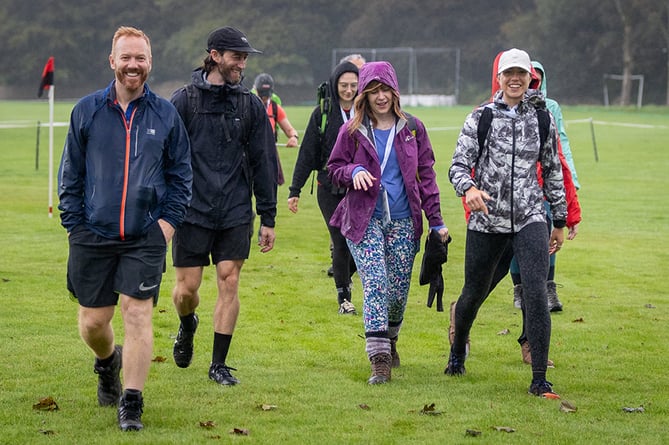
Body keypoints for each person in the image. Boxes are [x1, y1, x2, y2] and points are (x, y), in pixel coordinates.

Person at [58, 26, 192, 431]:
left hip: (145, 237)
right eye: (126, 57)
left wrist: (165, 227)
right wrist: (75, 227)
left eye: (141, 58)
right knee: (93, 323)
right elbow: (71, 176)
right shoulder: (86, 111)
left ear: (150, 63)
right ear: (112, 61)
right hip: (92, 236)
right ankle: (107, 363)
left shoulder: (166, 114)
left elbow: (181, 177)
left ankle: (131, 402)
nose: (133, 65)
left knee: (137, 314)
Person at [447, 48, 567, 398]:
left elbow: (553, 170)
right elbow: (457, 165)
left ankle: (540, 379)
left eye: (522, 74)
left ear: (530, 78)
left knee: (536, 292)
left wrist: (558, 218)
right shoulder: (480, 118)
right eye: (508, 73)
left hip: (531, 216)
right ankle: (457, 353)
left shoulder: (542, 119)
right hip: (487, 219)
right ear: (498, 78)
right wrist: (467, 188)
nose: (515, 79)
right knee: (474, 292)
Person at [328, 61, 449, 384]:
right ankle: (379, 358)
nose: (380, 97)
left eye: (385, 90)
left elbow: (427, 178)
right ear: (364, 95)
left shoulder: (413, 129)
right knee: (376, 282)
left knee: (397, 291)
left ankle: (390, 338)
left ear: (394, 91)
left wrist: (436, 223)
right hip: (363, 220)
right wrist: (353, 172)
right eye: (373, 91)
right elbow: (335, 167)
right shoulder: (351, 131)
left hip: (403, 221)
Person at [169, 26, 277, 386]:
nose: (242, 64)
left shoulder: (249, 106)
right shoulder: (183, 102)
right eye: (236, 56)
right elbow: (164, 159)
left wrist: (268, 216)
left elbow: (264, 160)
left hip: (233, 210)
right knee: (187, 290)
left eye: (245, 58)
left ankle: (218, 364)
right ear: (215, 55)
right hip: (191, 211)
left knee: (229, 280)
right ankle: (187, 324)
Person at [288, 61, 360, 314]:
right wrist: (294, 190)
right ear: (334, 85)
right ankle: (344, 298)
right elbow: (307, 152)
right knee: (340, 241)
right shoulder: (323, 113)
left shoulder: (366, 112)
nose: (349, 90)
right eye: (344, 85)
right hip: (328, 188)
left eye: (353, 85)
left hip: (359, 189)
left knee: (358, 242)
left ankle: (346, 275)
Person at [511, 60, 581, 312]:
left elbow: (560, 144)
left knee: (548, 239)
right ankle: (519, 290)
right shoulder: (499, 110)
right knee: (513, 244)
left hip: (546, 189)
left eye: (534, 78)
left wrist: (571, 177)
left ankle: (547, 290)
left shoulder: (550, 108)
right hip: (515, 191)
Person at [253, 73, 299, 185]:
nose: (264, 98)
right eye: (262, 95)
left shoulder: (275, 108)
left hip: (269, 153)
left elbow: (290, 130)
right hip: (251, 153)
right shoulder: (248, 105)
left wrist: (294, 137)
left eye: (266, 95)